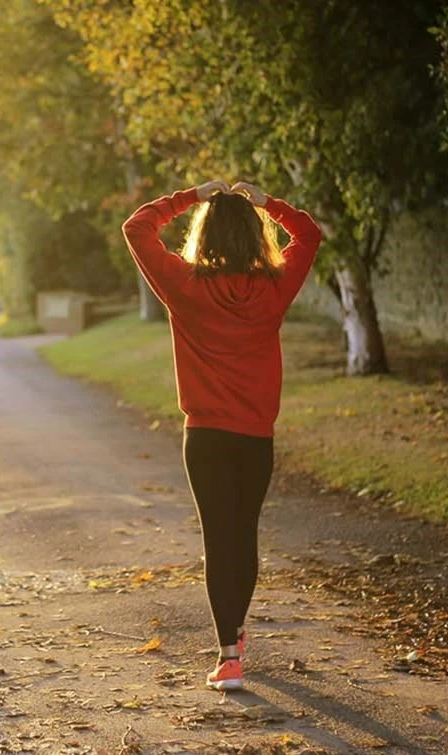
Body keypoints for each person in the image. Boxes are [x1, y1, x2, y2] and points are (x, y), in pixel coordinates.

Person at [122, 180, 322, 691]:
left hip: (205, 436)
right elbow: (310, 233)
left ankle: (228, 654)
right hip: (255, 436)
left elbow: (137, 227)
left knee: (219, 538)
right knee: (244, 534)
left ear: (204, 235)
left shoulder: (184, 285)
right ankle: (234, 633)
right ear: (256, 237)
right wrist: (267, 203)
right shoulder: (274, 287)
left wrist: (192, 196)